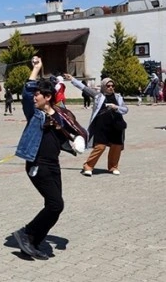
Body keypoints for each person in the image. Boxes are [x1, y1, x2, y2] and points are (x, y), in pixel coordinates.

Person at [12, 56, 82, 260]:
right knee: (55, 204)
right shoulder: (34, 113)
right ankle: (26, 233)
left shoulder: (60, 115)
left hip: (53, 164)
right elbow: (27, 90)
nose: (34, 97)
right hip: (37, 163)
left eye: (39, 94)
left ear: (48, 96)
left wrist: (77, 142)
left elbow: (74, 131)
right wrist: (37, 68)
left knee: (54, 206)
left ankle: (33, 241)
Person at [64, 73, 128, 176]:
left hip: (116, 126)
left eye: (112, 86)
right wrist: (72, 79)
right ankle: (88, 166)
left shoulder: (118, 97)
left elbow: (125, 109)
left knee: (116, 146)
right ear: (103, 86)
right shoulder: (98, 96)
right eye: (108, 86)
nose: (111, 88)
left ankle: (113, 167)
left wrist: (116, 107)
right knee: (100, 147)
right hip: (101, 126)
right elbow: (84, 88)